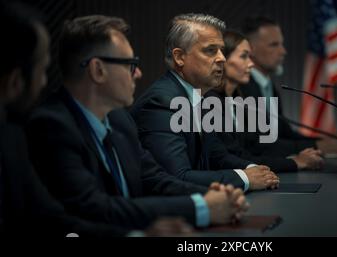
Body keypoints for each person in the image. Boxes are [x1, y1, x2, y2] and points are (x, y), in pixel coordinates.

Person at [26, 14, 248, 232]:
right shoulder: (51, 126)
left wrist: (213, 197)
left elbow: (155, 179)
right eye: (130, 64)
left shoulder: (120, 119)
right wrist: (202, 207)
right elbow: (94, 207)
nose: (139, 73)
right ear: (98, 70)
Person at [0, 1, 142, 237]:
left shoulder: (10, 139)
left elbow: (55, 221)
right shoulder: (48, 126)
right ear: (15, 81)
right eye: (42, 69)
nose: (44, 82)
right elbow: (89, 208)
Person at [130, 13, 280, 191]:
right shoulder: (162, 101)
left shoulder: (200, 97)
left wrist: (252, 168)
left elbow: (217, 155)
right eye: (210, 50)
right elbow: (176, 176)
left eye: (221, 50)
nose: (222, 58)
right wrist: (245, 178)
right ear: (179, 57)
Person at [204, 30, 324, 172]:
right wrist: (294, 162)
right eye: (244, 57)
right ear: (221, 60)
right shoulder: (211, 101)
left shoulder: (237, 100)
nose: (251, 64)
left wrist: (302, 155)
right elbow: (238, 158)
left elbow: (256, 148)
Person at [240, 16, 337, 157]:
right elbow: (260, 144)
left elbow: (285, 134)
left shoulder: (269, 87)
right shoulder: (241, 88)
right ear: (250, 49)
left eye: (282, 44)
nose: (283, 51)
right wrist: (317, 145)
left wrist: (325, 140)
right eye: (274, 45)